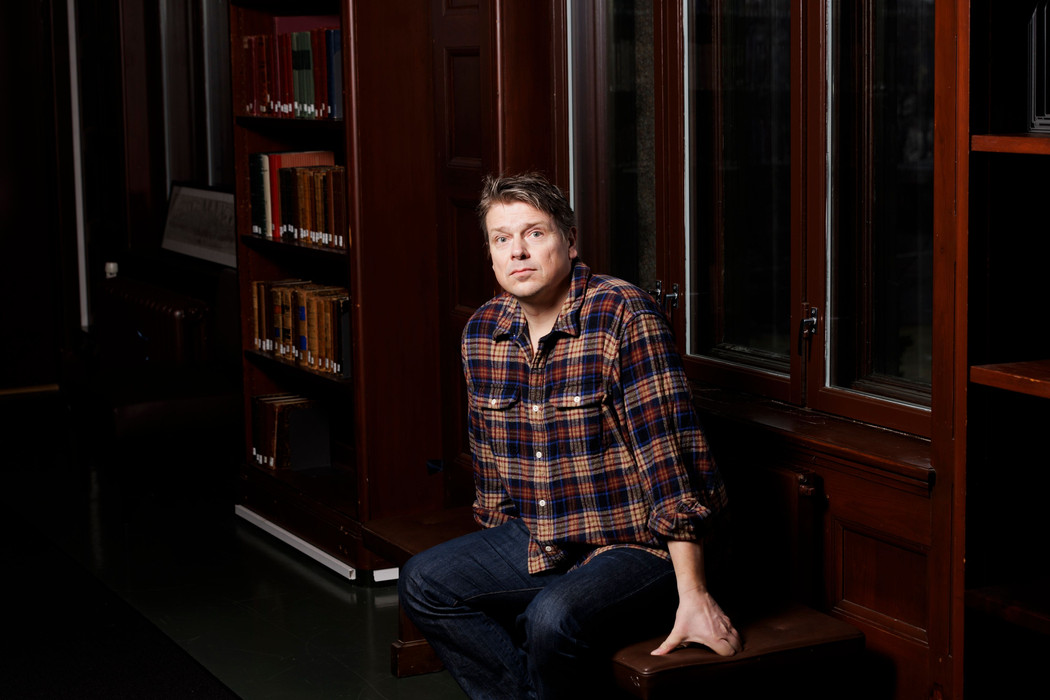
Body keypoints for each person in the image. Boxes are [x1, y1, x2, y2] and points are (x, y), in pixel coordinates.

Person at [399, 172, 740, 699]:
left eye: (534, 233)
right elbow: (490, 471)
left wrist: (693, 593)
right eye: (501, 239)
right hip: (546, 533)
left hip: (641, 542)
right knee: (424, 581)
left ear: (570, 240)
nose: (517, 251)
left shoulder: (622, 313)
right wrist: (499, 559)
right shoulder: (483, 332)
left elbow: (669, 462)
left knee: (551, 618)